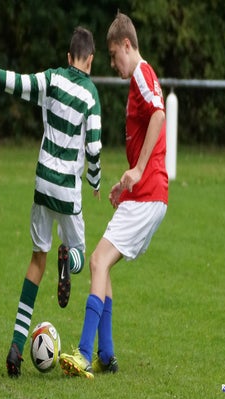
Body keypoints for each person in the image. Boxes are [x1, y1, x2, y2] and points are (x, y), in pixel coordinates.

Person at [0, 26, 102, 378]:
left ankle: (16, 346)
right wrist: (95, 180)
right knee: (80, 253)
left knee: (36, 260)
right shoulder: (91, 95)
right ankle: (68, 260)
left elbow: (18, 83)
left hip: (43, 183)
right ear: (90, 60)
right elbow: (93, 147)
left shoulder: (53, 79)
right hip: (68, 189)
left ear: (68, 56)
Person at [59, 12, 168, 378]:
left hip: (150, 192)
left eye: (112, 54)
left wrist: (139, 171)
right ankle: (106, 355)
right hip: (145, 194)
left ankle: (84, 353)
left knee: (97, 262)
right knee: (102, 267)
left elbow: (159, 116)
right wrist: (127, 183)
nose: (111, 62)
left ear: (126, 44)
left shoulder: (141, 73)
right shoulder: (140, 78)